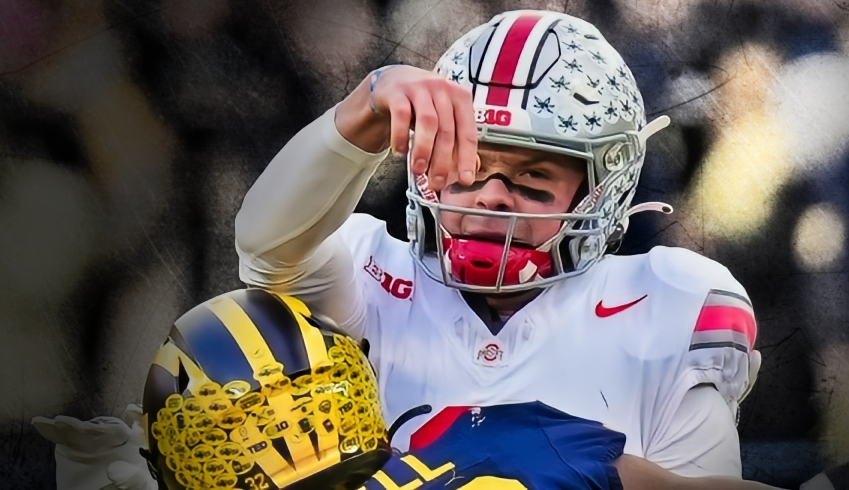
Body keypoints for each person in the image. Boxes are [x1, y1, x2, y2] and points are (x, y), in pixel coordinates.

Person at [235, 9, 762, 478]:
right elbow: (264, 245)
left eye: (532, 179)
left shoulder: (667, 304)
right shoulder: (371, 275)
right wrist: (364, 110)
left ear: (601, 188)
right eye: (467, 166)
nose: (491, 198)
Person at [128, 287, 774, 489]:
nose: (286, 432)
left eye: (298, 405)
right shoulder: (500, 439)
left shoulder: (503, 438)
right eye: (250, 421)